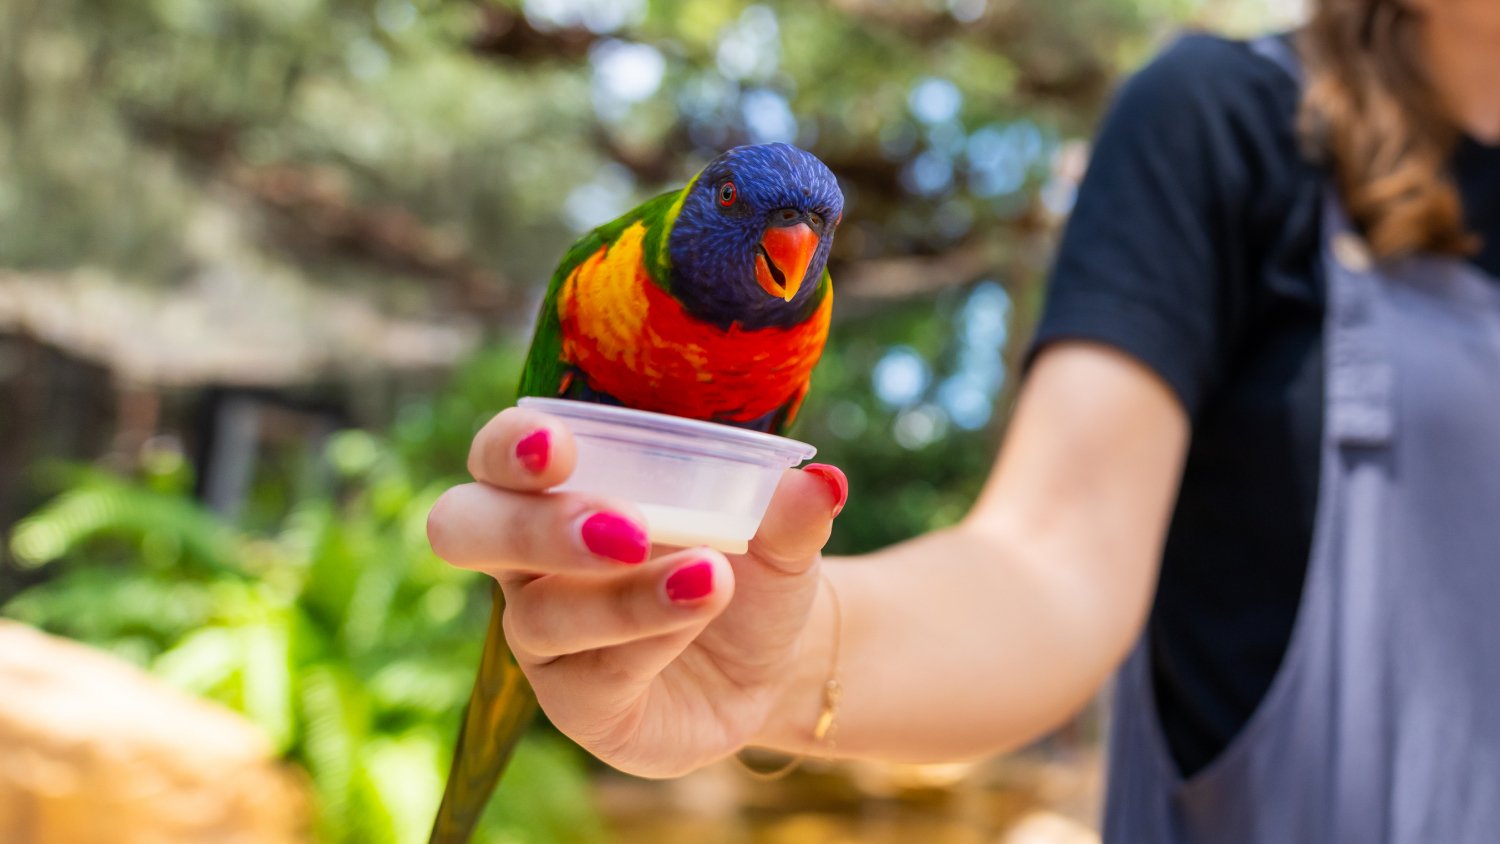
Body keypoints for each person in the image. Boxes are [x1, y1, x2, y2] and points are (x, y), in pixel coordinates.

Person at [425, 0, 1500, 838]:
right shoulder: (1230, 125)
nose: (795, 255)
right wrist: (773, 653)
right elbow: (1049, 566)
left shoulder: (799, 310)